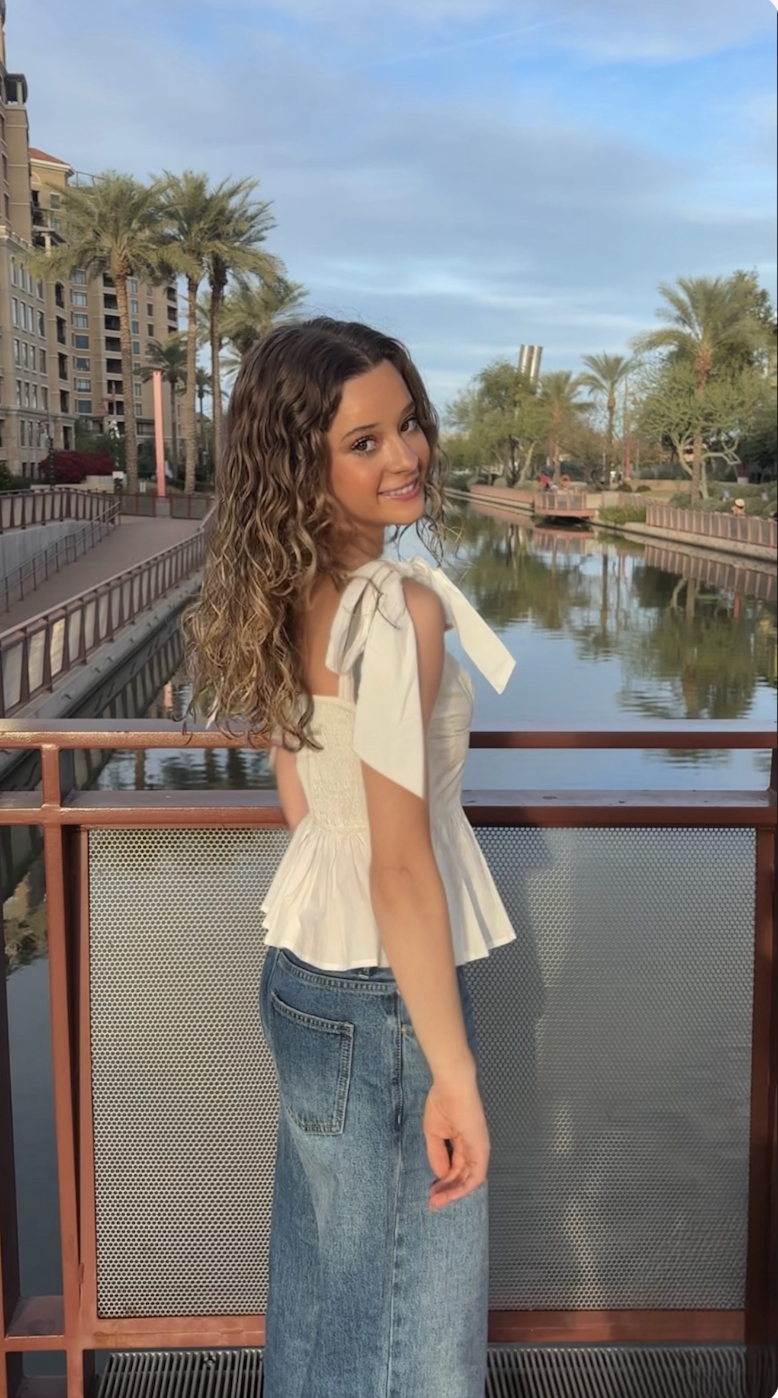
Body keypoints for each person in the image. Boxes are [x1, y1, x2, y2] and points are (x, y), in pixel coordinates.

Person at [183, 318, 516, 1398]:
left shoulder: (294, 590)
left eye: (406, 424)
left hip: (306, 977)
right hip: (383, 994)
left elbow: (305, 803)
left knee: (329, 1293)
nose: (406, 455)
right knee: (412, 1331)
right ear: (303, 466)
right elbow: (400, 864)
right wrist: (454, 1077)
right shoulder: (396, 610)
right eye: (363, 442)